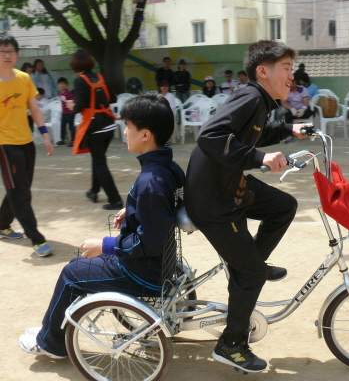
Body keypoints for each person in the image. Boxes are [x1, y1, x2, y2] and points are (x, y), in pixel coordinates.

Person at [18, 94, 185, 360]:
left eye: (129, 126)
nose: (125, 131)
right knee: (81, 269)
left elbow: (149, 240)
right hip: (161, 263)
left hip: (142, 272)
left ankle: (50, 343)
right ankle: (53, 329)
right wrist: (131, 210)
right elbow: (162, 211)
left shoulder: (150, 181)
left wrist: (104, 245)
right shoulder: (169, 168)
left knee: (72, 271)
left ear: (145, 135)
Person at [184, 40, 308, 373]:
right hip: (213, 201)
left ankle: (252, 263)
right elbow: (210, 136)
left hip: (228, 185)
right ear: (262, 71)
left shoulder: (259, 101)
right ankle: (232, 343)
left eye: (291, 71)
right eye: (286, 69)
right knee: (250, 274)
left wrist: (289, 129)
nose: (291, 78)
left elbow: (252, 133)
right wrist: (259, 158)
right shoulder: (252, 97)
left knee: (283, 206)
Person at [0, 34, 54, 257]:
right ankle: (36, 238)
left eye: (10, 51)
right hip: (4, 145)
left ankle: (2, 224)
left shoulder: (23, 78)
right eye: (2, 51)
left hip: (26, 142)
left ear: (17, 54)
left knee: (19, 189)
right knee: (20, 192)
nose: (6, 55)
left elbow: (35, 108)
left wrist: (46, 135)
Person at [67, 49, 123, 210]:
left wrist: (72, 106)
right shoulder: (100, 77)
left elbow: (80, 106)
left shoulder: (80, 80)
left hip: (95, 127)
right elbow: (113, 98)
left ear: (75, 64)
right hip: (109, 125)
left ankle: (115, 199)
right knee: (97, 159)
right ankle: (93, 190)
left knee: (99, 162)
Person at [56, 77, 75, 147]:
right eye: (60, 84)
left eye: (63, 84)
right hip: (64, 112)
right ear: (58, 85)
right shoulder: (60, 93)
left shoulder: (69, 92)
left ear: (67, 85)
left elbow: (73, 100)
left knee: (71, 127)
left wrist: (67, 100)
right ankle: (62, 139)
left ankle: (73, 140)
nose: (62, 86)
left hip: (70, 112)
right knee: (62, 126)